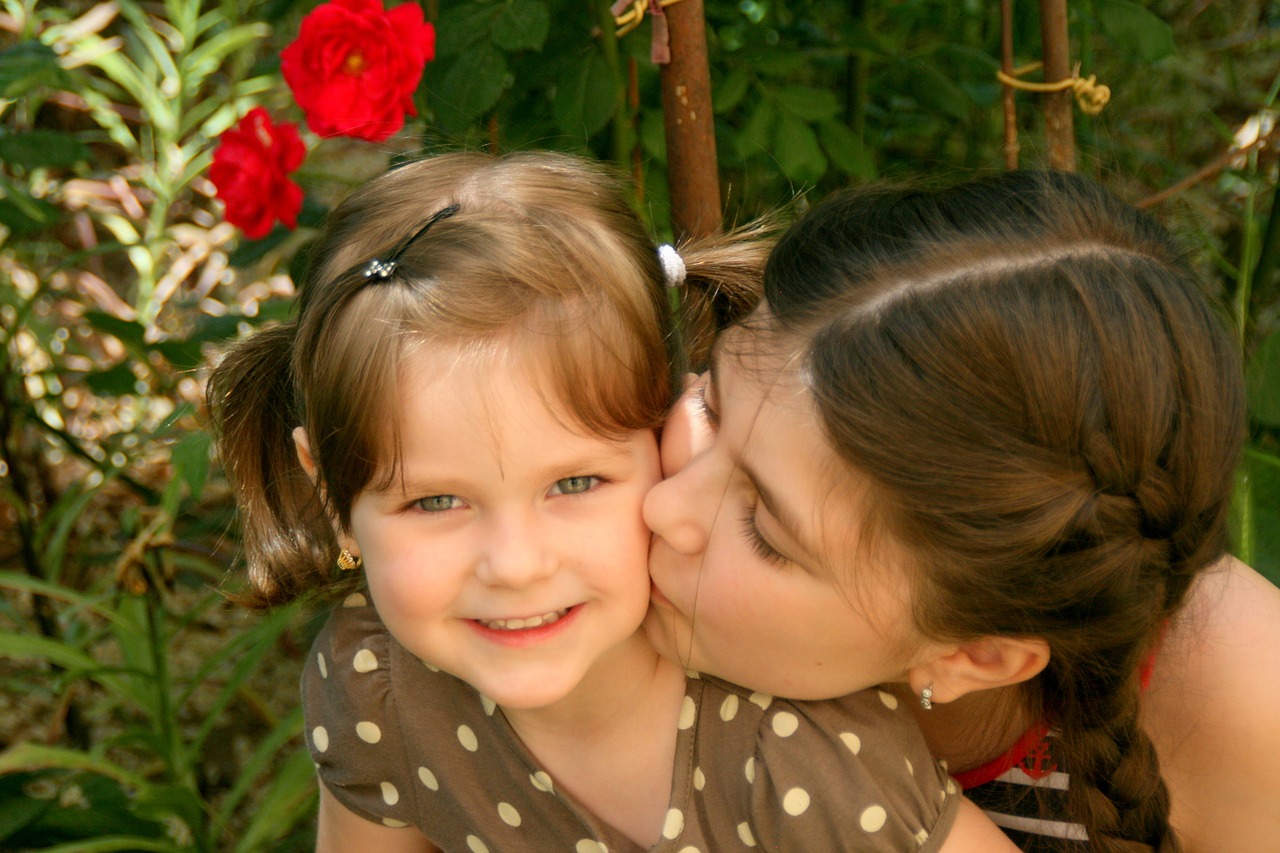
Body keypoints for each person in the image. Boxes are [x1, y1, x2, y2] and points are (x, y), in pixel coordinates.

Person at [206, 151, 1015, 852]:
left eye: (575, 483)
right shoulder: (378, 683)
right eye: (436, 501)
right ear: (332, 495)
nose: (518, 564)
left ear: (664, 436)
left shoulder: (798, 755)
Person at [643, 170, 1280, 852]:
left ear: (977, 654)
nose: (659, 505)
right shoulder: (585, 546)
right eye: (711, 405)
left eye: (764, 530)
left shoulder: (1247, 706)